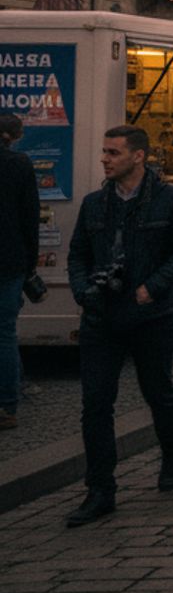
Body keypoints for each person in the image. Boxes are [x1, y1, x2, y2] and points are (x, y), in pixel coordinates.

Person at [62, 125, 173, 526]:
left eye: (113, 152)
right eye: (104, 152)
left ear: (138, 156)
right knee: (95, 404)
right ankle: (100, 489)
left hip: (150, 314)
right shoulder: (93, 204)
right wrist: (83, 291)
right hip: (101, 316)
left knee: (158, 391)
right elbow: (77, 256)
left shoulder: (170, 200)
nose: (104, 159)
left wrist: (152, 288)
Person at [0, 114, 38, 432]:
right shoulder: (20, 165)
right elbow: (30, 217)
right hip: (9, 259)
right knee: (5, 333)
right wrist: (31, 263)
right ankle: (7, 405)